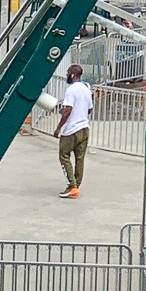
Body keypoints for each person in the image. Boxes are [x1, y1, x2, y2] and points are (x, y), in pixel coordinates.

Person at [55, 64, 92, 199]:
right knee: (79, 158)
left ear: (71, 75)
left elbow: (68, 110)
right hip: (84, 128)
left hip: (71, 130)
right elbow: (89, 109)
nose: (66, 75)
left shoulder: (71, 90)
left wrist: (58, 128)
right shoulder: (87, 88)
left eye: (67, 73)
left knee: (64, 156)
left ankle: (72, 186)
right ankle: (77, 184)